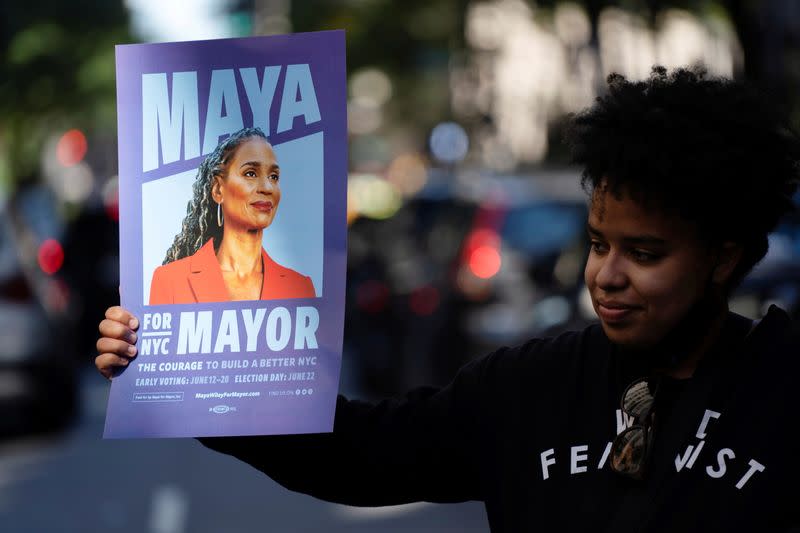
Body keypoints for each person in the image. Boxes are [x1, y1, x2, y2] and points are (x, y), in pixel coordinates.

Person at [97, 66, 800, 532]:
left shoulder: (783, 387)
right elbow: (357, 452)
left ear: (725, 257)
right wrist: (179, 367)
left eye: (644, 254)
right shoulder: (532, 385)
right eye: (597, 243)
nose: (605, 275)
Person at [149, 126, 315, 304]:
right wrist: (123, 330)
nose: (267, 188)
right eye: (250, 173)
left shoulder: (300, 287)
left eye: (274, 176)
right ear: (218, 190)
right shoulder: (169, 281)